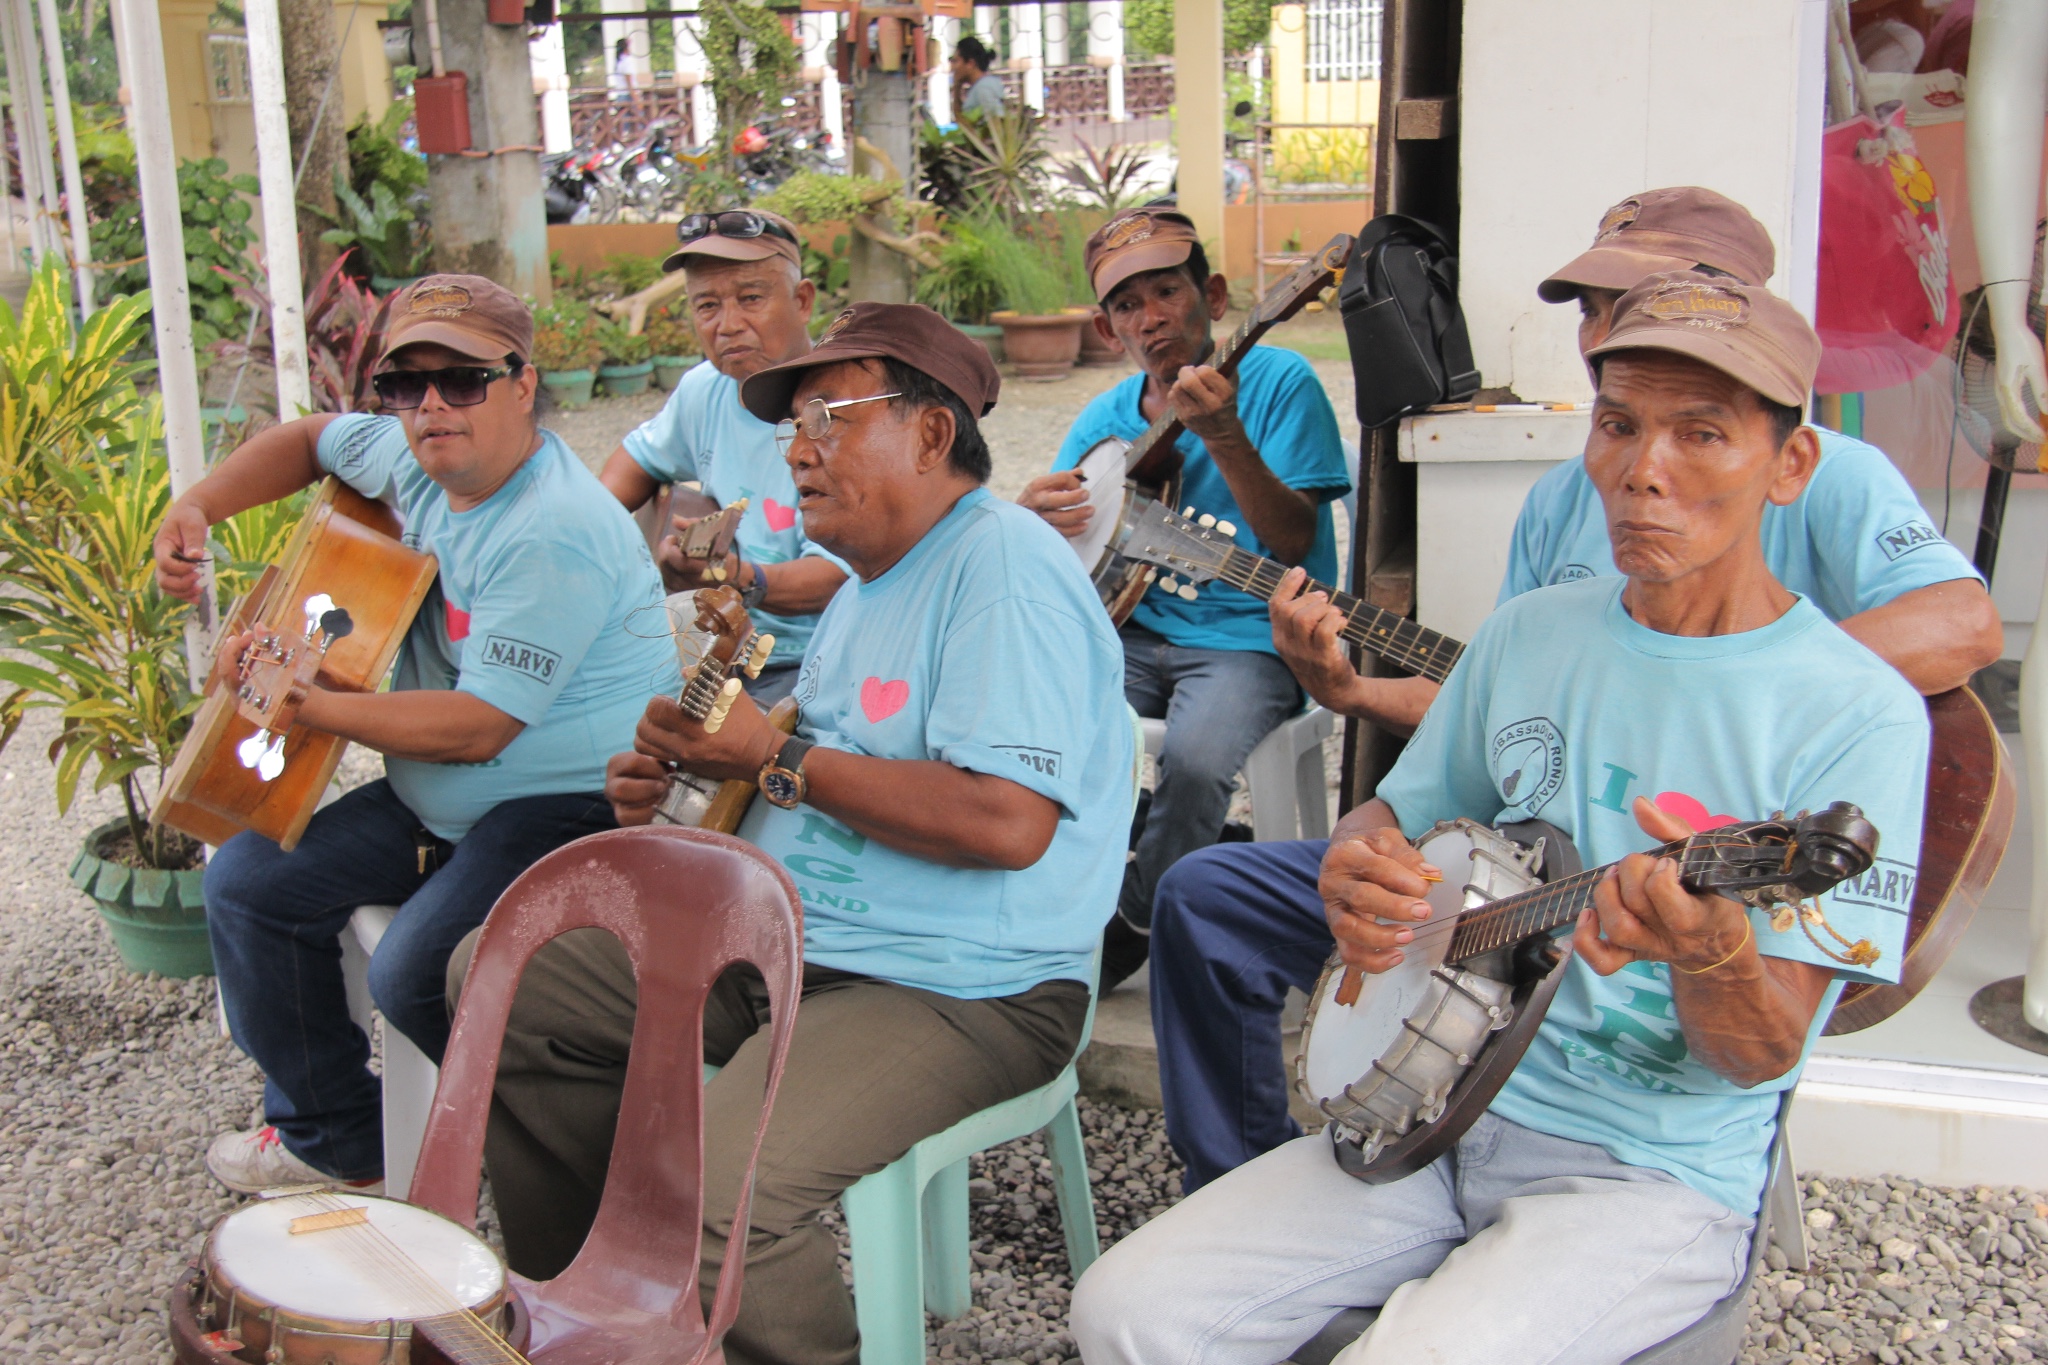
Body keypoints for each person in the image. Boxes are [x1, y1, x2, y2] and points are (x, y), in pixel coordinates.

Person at [1071, 272, 1931, 1365]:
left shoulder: (1856, 716)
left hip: (1643, 1173)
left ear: (1789, 465)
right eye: (1616, 426)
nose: (1641, 474)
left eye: (1701, 434)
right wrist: (1353, 871)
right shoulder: (1532, 636)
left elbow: (1760, 1057)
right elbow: (1387, 815)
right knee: (1126, 1312)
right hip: (1434, 1107)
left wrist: (1711, 955)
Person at [1148, 186, 2004, 1193]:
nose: (1604, 329)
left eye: (1635, 299)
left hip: (1687, 896)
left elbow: (1963, 625)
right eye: (1593, 308)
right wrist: (1350, 696)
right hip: (1501, 878)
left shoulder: (1829, 475)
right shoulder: (1565, 492)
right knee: (1207, 896)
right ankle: (1246, 1181)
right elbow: (1510, 705)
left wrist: (1706, 698)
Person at [451, 302, 1133, 1365]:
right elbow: (800, 776)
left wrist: (768, 756)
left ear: (930, 433)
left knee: (713, 1200)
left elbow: (1005, 824)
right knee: (507, 982)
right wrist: (679, 793)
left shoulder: (999, 572)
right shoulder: (867, 586)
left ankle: (716, 1298)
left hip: (960, 985)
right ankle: (609, 1316)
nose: (797, 452)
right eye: (790, 428)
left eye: (828, 416)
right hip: (800, 948)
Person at [150, 275, 679, 1195]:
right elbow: (310, 439)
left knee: (415, 973)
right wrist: (198, 504)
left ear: (523, 383)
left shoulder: (553, 529)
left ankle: (552, 1156)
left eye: (463, 379)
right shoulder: (412, 456)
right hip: (444, 795)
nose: (431, 404)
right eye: (405, 384)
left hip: (575, 802)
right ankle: (339, 1139)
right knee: (246, 882)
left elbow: (480, 728)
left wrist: (305, 699)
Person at [1019, 207, 1349, 991]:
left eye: (1168, 290)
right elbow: (1070, 554)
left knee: (1197, 759)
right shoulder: (1103, 422)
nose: (1152, 317)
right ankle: (1166, 856)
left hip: (1251, 637)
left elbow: (1294, 541)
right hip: (1131, 634)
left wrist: (1225, 434)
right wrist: (1038, 519)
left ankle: (1132, 916)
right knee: (1040, 730)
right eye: (1128, 306)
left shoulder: (1278, 381)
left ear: (1217, 295)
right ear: (1107, 331)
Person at [598, 209, 849, 704]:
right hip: (714, 645)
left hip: (815, 661)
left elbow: (836, 577)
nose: (728, 325)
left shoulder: (843, 408)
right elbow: (633, 463)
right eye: (706, 305)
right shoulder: (704, 390)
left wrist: (733, 577)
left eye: (751, 298)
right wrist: (595, 544)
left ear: (802, 301)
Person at [952, 35, 1006, 118]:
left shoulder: (983, 88)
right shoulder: (983, 85)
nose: (953, 67)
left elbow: (995, 121)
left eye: (956, 61)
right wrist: (957, 88)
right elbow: (962, 121)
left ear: (970, 63)